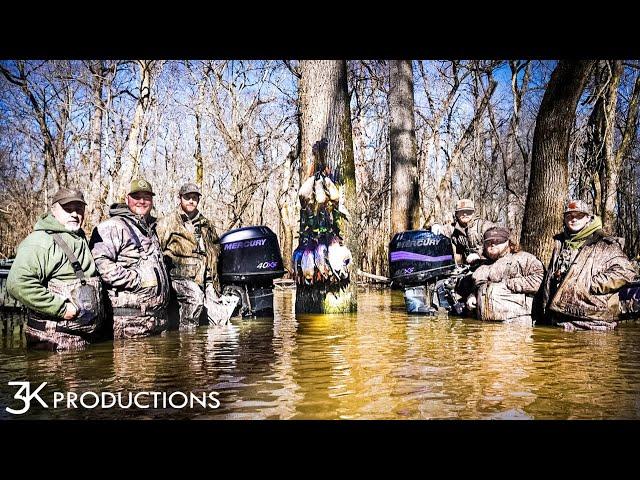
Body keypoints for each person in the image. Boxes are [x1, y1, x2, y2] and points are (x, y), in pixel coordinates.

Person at [7, 188, 104, 350]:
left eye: (79, 209)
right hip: (53, 342)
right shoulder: (40, 241)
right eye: (68, 209)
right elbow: (17, 284)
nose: (74, 214)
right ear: (53, 210)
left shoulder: (79, 238)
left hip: (82, 339)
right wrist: (62, 308)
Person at [90, 179, 170, 339]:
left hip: (155, 319)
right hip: (130, 322)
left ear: (152, 201)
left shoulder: (151, 228)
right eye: (136, 197)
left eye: (146, 197)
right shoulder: (112, 226)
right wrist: (137, 280)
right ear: (127, 199)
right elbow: (99, 263)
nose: (142, 201)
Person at [540, 199, 637, 331]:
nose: (573, 219)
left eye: (579, 215)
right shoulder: (559, 243)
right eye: (569, 216)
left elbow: (626, 272)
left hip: (594, 323)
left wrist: (591, 284)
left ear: (588, 218)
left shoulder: (605, 244)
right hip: (560, 320)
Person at [156, 183, 229, 329]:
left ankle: (212, 350)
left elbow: (215, 246)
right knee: (195, 299)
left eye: (194, 198)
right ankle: (190, 345)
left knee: (220, 319)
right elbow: (158, 249)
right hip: (180, 277)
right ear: (180, 198)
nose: (191, 201)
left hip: (207, 277)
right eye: (187, 197)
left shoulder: (205, 223)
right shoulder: (167, 222)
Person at [466, 227, 544, 323]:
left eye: (498, 241)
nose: (492, 244)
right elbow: (475, 287)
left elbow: (538, 280)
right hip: (485, 325)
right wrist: (472, 296)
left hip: (516, 324)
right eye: (488, 242)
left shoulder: (524, 259)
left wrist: (507, 284)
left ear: (508, 242)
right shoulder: (481, 267)